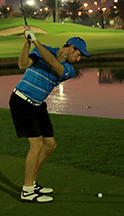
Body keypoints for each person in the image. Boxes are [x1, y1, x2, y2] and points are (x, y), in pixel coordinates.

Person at [9, 25, 91, 203]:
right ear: (70, 48)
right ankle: (28, 191)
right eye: (79, 54)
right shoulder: (43, 51)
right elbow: (22, 64)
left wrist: (36, 42)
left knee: (50, 145)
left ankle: (32, 181)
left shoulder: (69, 70)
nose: (79, 59)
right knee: (37, 144)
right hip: (22, 100)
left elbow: (54, 64)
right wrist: (27, 43)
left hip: (37, 105)